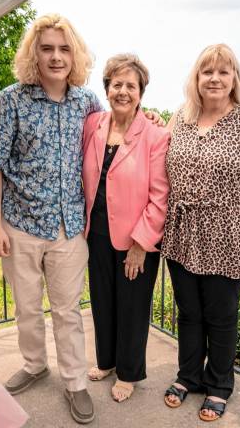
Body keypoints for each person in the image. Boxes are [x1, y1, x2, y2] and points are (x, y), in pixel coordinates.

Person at [0, 13, 105, 425]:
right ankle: (35, 364)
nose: (56, 57)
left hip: (69, 228)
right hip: (20, 224)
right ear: (34, 53)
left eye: (64, 48)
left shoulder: (88, 102)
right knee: (27, 308)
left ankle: (75, 382)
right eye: (47, 48)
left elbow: (117, 133)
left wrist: (155, 119)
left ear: (75, 54)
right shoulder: (10, 100)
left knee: (68, 311)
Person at [161, 44, 240, 422]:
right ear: (196, 78)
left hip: (229, 233)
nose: (214, 78)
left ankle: (218, 386)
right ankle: (188, 377)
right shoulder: (179, 117)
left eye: (223, 72)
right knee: (189, 313)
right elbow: (156, 156)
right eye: (206, 71)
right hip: (183, 232)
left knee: (221, 315)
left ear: (234, 79)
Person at [82, 53, 170, 403]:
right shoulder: (94, 125)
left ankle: (129, 372)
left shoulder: (154, 134)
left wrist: (141, 244)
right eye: (116, 84)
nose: (123, 91)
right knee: (102, 300)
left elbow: (160, 196)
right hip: (97, 232)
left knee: (132, 305)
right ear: (106, 89)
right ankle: (106, 361)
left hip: (136, 237)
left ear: (141, 93)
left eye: (130, 86)